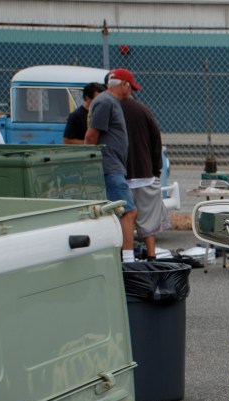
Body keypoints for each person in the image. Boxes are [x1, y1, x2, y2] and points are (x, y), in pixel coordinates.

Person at [85, 68, 139, 259]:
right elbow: (92, 136)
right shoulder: (106, 102)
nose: (131, 92)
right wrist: (89, 162)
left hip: (113, 165)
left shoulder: (109, 102)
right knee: (128, 211)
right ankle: (127, 259)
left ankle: (120, 255)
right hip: (110, 166)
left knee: (119, 212)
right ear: (123, 85)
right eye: (131, 87)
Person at [120, 94, 168, 259]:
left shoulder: (107, 108)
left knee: (123, 217)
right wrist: (156, 170)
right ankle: (151, 256)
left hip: (119, 173)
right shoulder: (143, 110)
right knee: (148, 222)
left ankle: (126, 257)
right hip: (145, 173)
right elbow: (156, 141)